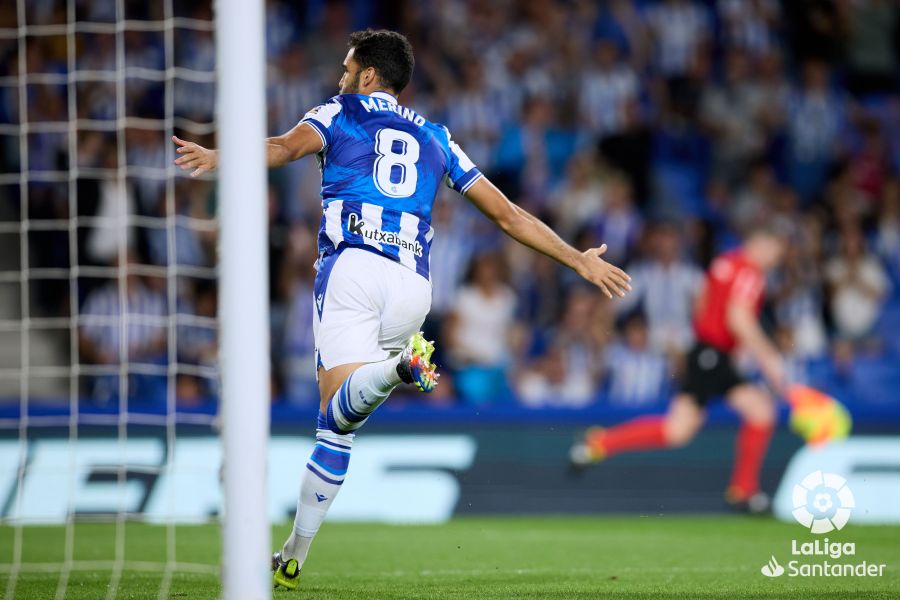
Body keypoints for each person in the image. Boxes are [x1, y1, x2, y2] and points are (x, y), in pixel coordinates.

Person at [171, 29, 631, 590]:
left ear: (367, 76)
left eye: (346, 68)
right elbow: (508, 215)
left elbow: (284, 148)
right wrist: (576, 259)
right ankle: (292, 553)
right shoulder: (438, 136)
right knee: (342, 421)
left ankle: (396, 372)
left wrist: (221, 157)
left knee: (334, 421)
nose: (340, 77)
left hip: (353, 270)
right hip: (415, 286)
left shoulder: (339, 112)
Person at [569, 225, 787, 512]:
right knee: (758, 412)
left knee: (679, 430)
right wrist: (769, 358)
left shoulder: (724, 263)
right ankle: (743, 491)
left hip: (705, 351)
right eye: (776, 254)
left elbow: (705, 306)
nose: (775, 261)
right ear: (763, 245)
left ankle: (600, 442)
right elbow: (738, 317)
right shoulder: (750, 272)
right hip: (713, 354)